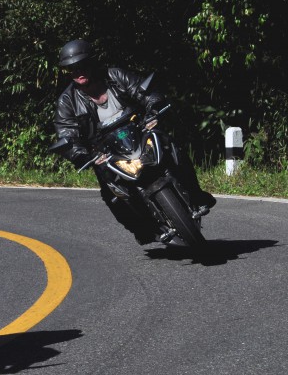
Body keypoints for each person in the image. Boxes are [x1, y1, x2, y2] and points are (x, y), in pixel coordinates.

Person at [52, 39, 216, 244]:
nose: (78, 71)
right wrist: (81, 154)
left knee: (172, 147)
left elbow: (143, 91)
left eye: (81, 65)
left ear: (92, 62)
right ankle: (143, 229)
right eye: (72, 69)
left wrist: (154, 109)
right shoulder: (67, 101)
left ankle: (196, 195)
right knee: (111, 193)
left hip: (140, 131)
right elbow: (67, 133)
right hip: (105, 152)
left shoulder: (115, 76)